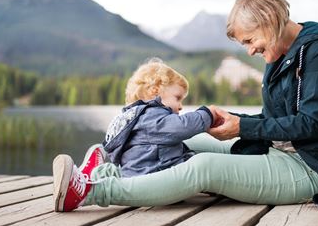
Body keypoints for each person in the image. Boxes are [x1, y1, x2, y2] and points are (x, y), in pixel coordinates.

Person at [52, 0, 318, 212]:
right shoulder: (279, 55)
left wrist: (243, 126)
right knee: (186, 144)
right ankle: (108, 170)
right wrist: (227, 120)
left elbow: (310, 124)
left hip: (316, 169)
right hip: (281, 152)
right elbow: (274, 119)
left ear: (269, 21)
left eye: (250, 40)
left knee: (203, 166)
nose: (249, 50)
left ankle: (93, 192)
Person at [53, 59, 218, 211]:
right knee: (194, 162)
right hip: (153, 175)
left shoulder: (132, 117)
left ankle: (94, 174)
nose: (181, 106)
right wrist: (206, 115)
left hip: (135, 170)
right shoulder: (153, 116)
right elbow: (181, 127)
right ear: (155, 92)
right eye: (178, 98)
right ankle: (83, 193)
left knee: (118, 171)